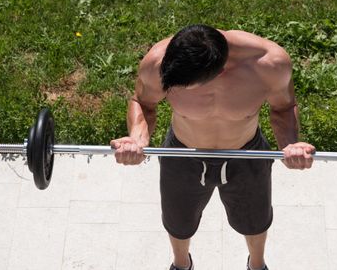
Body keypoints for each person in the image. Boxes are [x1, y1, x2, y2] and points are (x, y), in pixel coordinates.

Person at [111, 24, 315, 270]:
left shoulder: (269, 63)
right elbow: (143, 103)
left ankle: (257, 265)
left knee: (255, 222)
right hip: (183, 154)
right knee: (178, 222)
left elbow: (283, 108)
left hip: (246, 153)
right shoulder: (157, 62)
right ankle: (181, 264)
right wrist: (137, 139)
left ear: (218, 73)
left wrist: (290, 145)